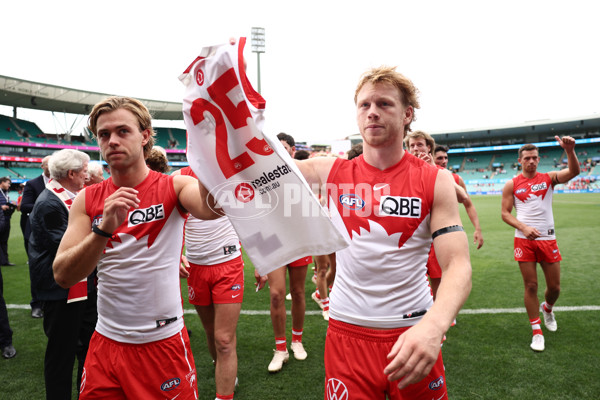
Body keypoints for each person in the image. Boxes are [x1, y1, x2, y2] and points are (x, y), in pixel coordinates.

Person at [295, 66, 471, 399]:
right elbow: (262, 176)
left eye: (384, 104)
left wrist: (435, 325)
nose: (372, 111)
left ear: (407, 114)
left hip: (414, 330)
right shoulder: (329, 170)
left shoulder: (435, 179)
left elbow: (458, 265)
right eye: (364, 105)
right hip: (347, 331)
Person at [52, 96, 219, 399]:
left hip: (162, 344)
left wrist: (209, 150)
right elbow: (63, 275)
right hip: (106, 344)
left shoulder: (173, 187)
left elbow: (214, 207)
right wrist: (103, 230)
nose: (112, 141)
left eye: (122, 131)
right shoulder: (87, 199)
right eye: (104, 135)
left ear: (144, 136)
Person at [29, 149, 98, 399]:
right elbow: (67, 248)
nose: (88, 174)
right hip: (60, 291)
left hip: (82, 286)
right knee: (61, 354)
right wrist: (101, 233)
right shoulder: (49, 202)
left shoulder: (71, 195)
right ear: (71, 173)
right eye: (84, 170)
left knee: (88, 351)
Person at [501, 137, 579, 352]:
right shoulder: (512, 184)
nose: (532, 161)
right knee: (531, 286)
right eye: (527, 158)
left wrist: (570, 151)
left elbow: (573, 172)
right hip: (524, 240)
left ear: (539, 159)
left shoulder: (549, 178)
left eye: (535, 157)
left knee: (554, 288)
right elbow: (505, 213)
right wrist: (523, 227)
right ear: (520, 160)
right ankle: (536, 331)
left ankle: (548, 308)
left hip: (548, 239)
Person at [173, 166, 243, 400]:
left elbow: (249, 218)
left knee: (224, 339)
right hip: (196, 267)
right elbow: (173, 221)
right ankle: (222, 366)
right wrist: (177, 254)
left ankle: (224, 394)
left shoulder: (230, 172)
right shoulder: (178, 179)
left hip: (228, 263)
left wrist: (262, 262)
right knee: (211, 332)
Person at [254, 132, 311, 373]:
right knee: (277, 294)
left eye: (285, 147)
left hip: (298, 238)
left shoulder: (304, 172)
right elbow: (256, 217)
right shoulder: (261, 176)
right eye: (276, 147)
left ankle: (296, 340)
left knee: (297, 292)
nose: (281, 151)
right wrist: (259, 259)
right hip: (272, 241)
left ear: (292, 150)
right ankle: (280, 348)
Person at [404, 131, 476, 305]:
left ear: (429, 148)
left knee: (438, 281)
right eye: (412, 146)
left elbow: (463, 197)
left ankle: (439, 319)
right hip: (408, 238)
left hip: (435, 236)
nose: (415, 149)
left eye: (419, 145)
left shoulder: (439, 172)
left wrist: (432, 170)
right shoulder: (402, 170)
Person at [20, 155, 52, 318]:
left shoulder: (59, 181)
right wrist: (47, 206)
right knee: (36, 269)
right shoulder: (33, 184)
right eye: (48, 164)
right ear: (42, 167)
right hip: (34, 233)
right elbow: (24, 205)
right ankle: (36, 304)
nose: (51, 166)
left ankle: (50, 302)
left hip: (54, 232)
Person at [0, 176, 16, 266]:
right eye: (8, 183)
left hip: (6, 219)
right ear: (2, 182)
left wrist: (11, 204)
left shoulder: (6, 193)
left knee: (4, 241)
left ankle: (5, 261)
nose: (9, 185)